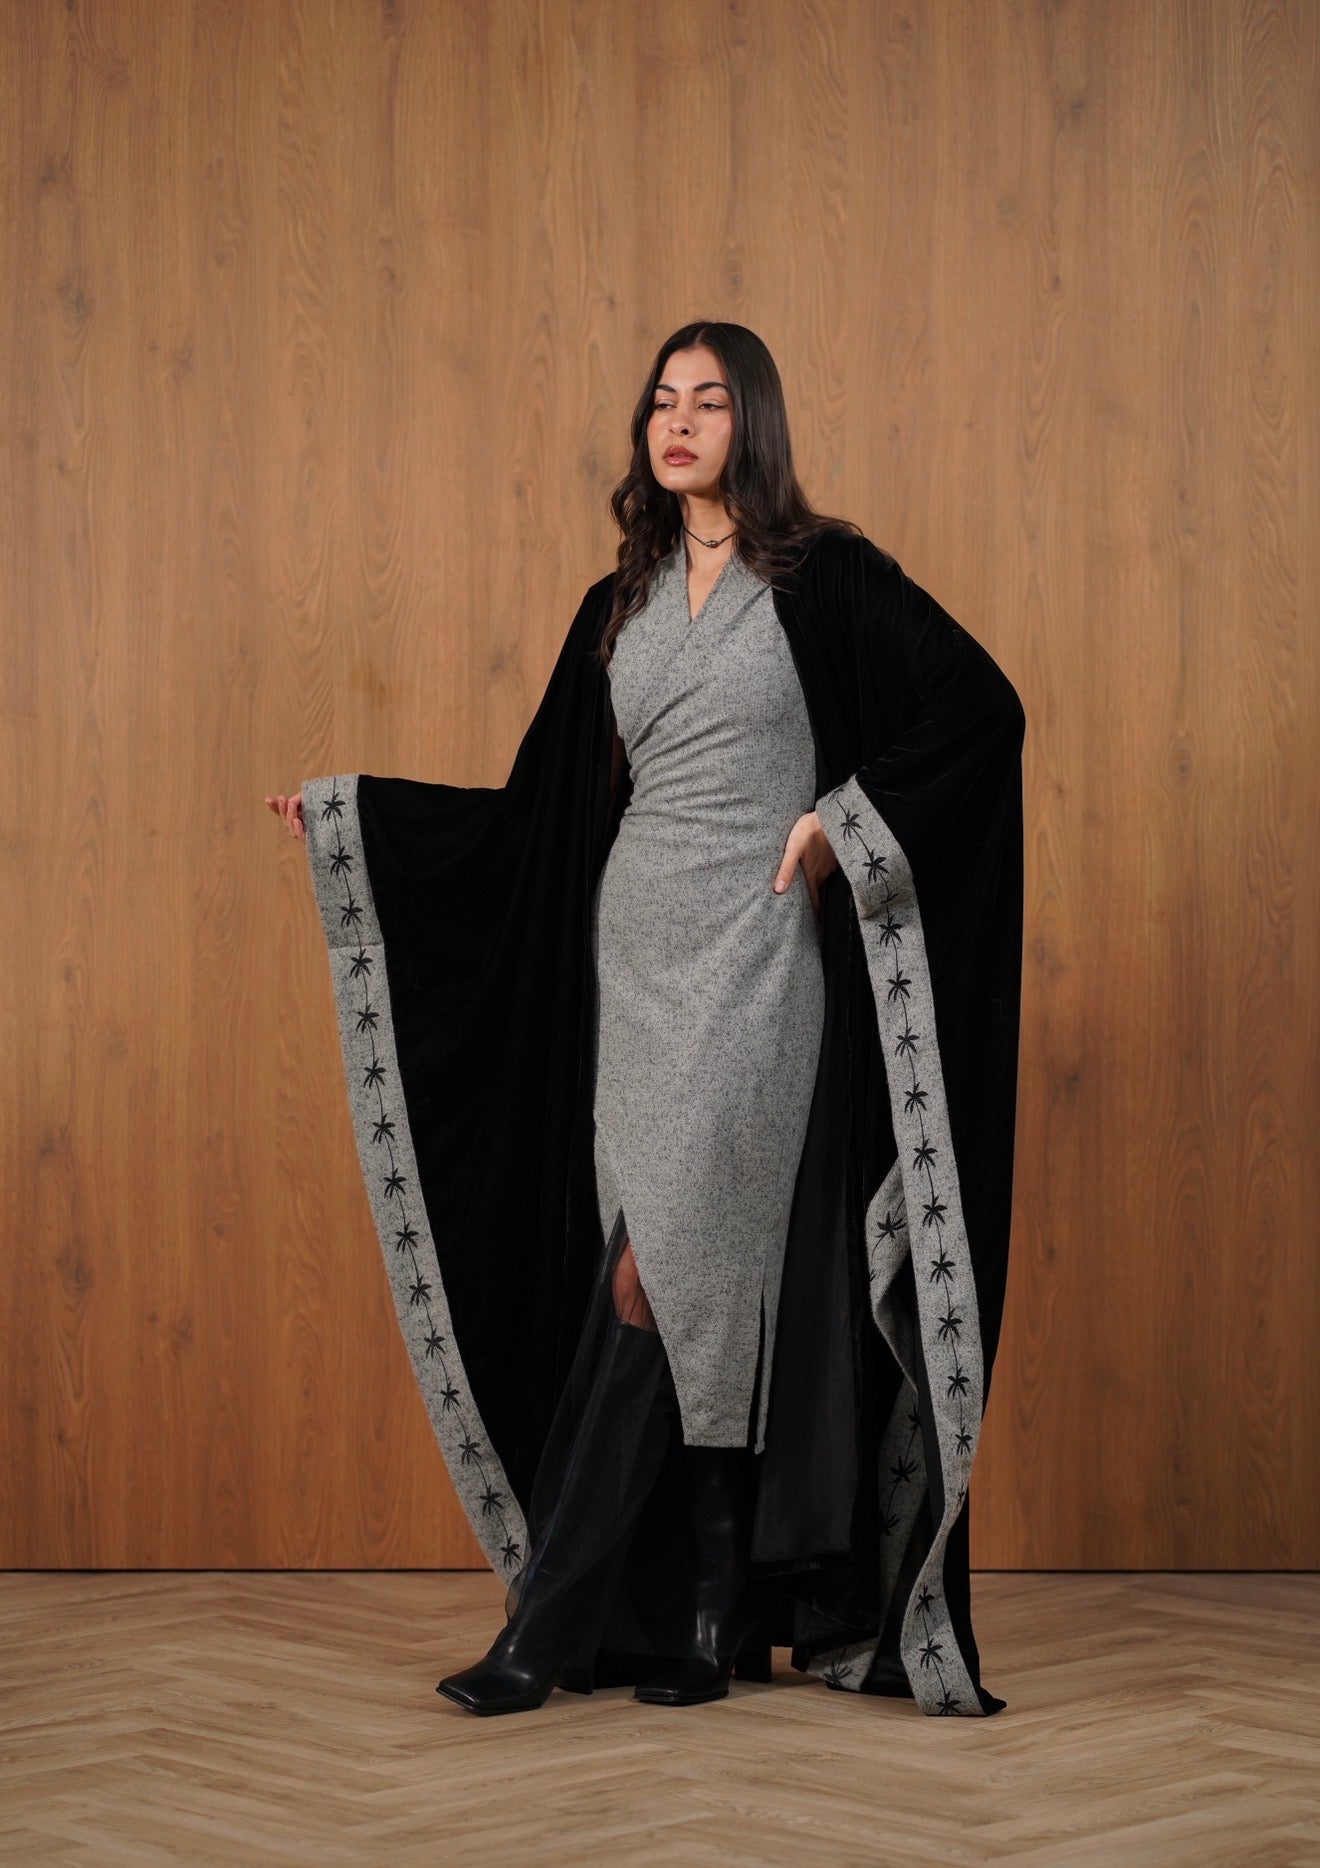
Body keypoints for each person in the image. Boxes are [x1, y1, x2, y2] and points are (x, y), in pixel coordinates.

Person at [267, 321, 1026, 1719]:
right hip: (635, 966)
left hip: (759, 964)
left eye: (709, 400)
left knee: (654, 1275)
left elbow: (982, 705)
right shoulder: (614, 604)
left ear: (755, 422)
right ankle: (708, 1615)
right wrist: (357, 818)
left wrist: (838, 824)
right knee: (698, 1292)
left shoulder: (828, 579)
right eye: (662, 401)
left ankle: (542, 1631)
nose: (677, 422)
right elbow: (537, 818)